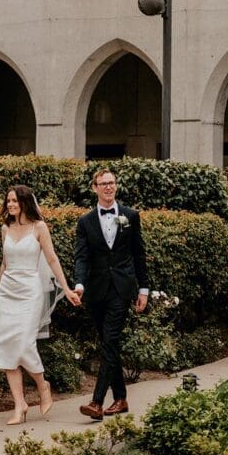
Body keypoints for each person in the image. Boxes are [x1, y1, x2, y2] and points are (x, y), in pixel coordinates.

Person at [0, 185, 81, 424]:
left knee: (24, 344)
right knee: (6, 347)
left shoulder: (39, 227)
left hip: (30, 291)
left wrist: (67, 288)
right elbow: (4, 263)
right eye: (8, 201)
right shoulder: (5, 228)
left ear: (25, 203)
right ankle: (20, 405)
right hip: (8, 290)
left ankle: (43, 385)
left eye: (14, 201)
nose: (10, 205)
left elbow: (51, 258)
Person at [74, 168, 148, 420]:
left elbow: (139, 255)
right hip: (95, 291)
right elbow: (82, 257)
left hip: (121, 288)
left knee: (109, 341)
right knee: (110, 344)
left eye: (112, 183)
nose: (108, 187)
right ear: (94, 188)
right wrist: (80, 284)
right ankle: (121, 398)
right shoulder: (85, 222)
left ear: (116, 186)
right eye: (103, 183)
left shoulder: (130, 216)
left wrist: (144, 289)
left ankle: (96, 402)